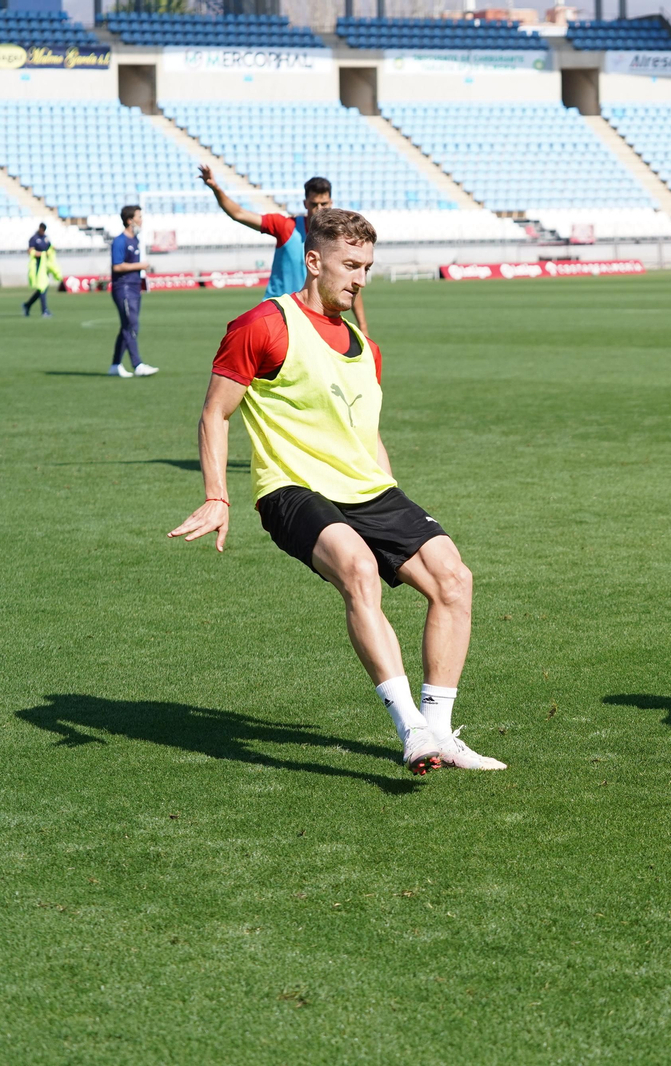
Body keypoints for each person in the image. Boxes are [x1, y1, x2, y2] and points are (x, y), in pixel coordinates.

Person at [167, 209, 501, 776]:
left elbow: (368, 436)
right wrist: (217, 494)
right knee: (358, 565)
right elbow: (214, 413)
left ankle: (440, 732)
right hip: (292, 489)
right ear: (314, 261)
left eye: (367, 267)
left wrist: (395, 501)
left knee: (453, 577)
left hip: (367, 488)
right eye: (350, 265)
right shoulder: (263, 325)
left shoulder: (366, 349)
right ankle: (411, 731)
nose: (360, 279)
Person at [197, 167, 369, 332]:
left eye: (324, 204)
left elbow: (349, 281)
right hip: (277, 314)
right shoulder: (286, 227)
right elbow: (239, 214)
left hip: (312, 316)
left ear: (331, 202)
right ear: (305, 203)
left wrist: (363, 327)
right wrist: (216, 188)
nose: (319, 210)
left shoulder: (336, 240)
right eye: (314, 204)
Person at [109, 205, 158, 378]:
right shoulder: (120, 241)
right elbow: (117, 266)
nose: (141, 220)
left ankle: (115, 365)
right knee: (131, 325)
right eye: (139, 216)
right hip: (123, 288)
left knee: (128, 326)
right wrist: (141, 265)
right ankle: (137, 365)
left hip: (134, 288)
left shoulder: (134, 240)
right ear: (130, 220)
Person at [23, 222, 59, 318]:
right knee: (42, 288)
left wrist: (52, 249)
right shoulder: (34, 238)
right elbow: (30, 251)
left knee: (42, 288)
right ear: (40, 229)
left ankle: (27, 305)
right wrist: (41, 254)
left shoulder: (45, 238)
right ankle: (44, 310)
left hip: (45, 266)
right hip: (37, 266)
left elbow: (49, 247)